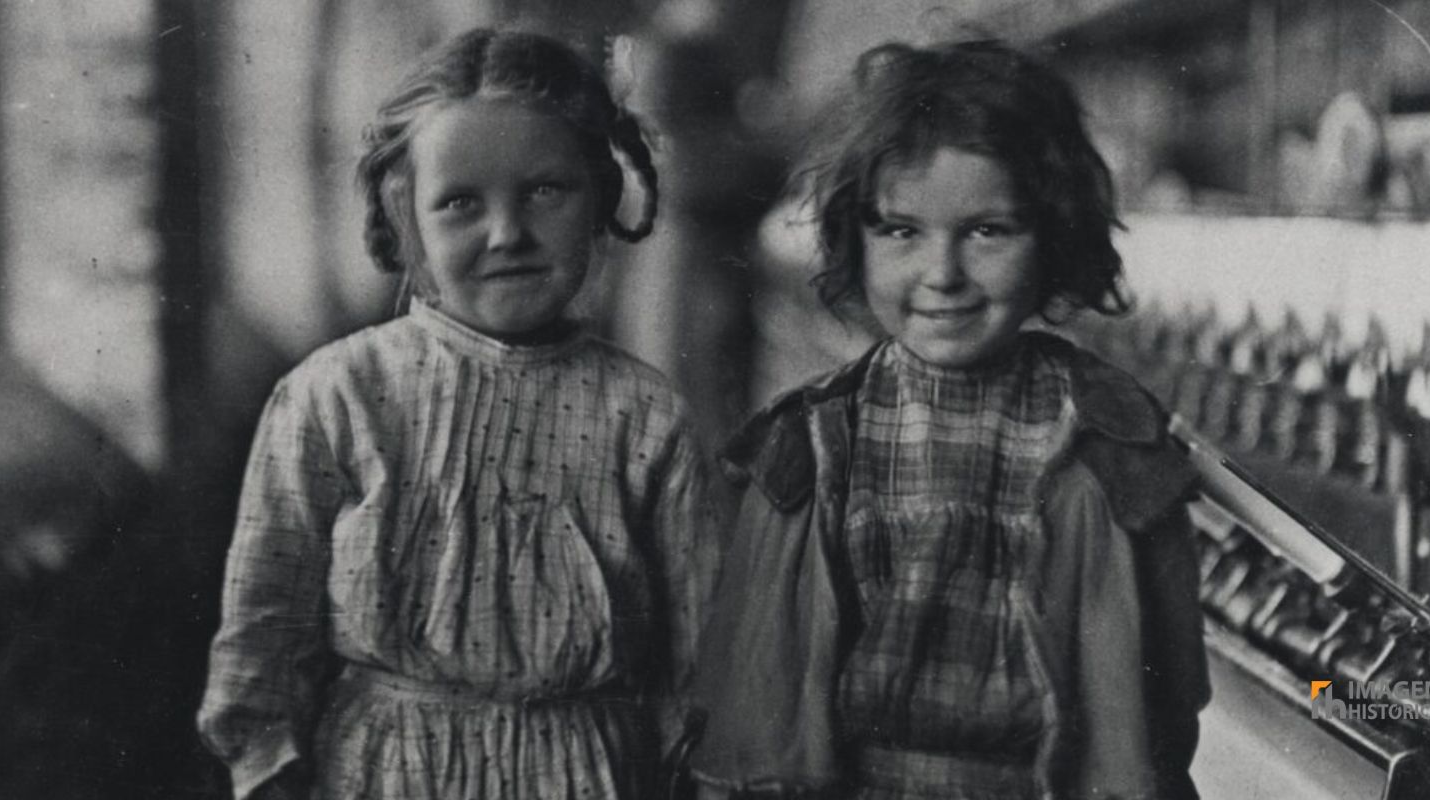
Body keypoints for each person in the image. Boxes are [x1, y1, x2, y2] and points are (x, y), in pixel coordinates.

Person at [197, 28, 719, 800]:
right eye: (461, 203)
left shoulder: (645, 416)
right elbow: (263, 626)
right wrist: (265, 761)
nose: (507, 234)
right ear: (406, 217)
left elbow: (696, 649)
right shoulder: (337, 396)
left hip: (592, 774)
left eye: (545, 191)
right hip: (384, 771)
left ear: (601, 199)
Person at [691, 39, 1210, 799]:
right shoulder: (815, 442)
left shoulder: (1113, 441)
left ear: (1054, 233)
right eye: (901, 230)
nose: (942, 275)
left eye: (987, 231)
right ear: (853, 237)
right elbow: (752, 704)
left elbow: (1165, 705)